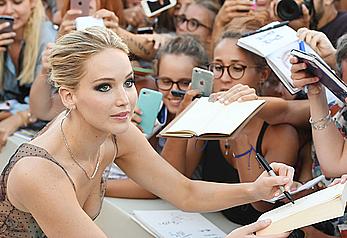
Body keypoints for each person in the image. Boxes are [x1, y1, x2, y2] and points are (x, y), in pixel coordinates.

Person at [0, 26, 293, 237]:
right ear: (68, 96)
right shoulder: (38, 171)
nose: (124, 99)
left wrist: (255, 189)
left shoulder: (119, 133)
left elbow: (185, 192)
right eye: (104, 86)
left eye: (128, 82)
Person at [162, 28, 299, 226]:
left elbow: (263, 204)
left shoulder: (280, 132)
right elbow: (171, 182)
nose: (225, 78)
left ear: (263, 74)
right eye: (218, 67)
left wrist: (239, 134)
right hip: (205, 226)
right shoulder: (207, 119)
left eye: (237, 68)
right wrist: (182, 118)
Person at [0, 0, 56, 149]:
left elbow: (53, 101)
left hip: (43, 129)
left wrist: (19, 117)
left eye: (17, 2)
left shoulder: (47, 38)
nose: (8, 10)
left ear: (32, 3)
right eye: (1, 4)